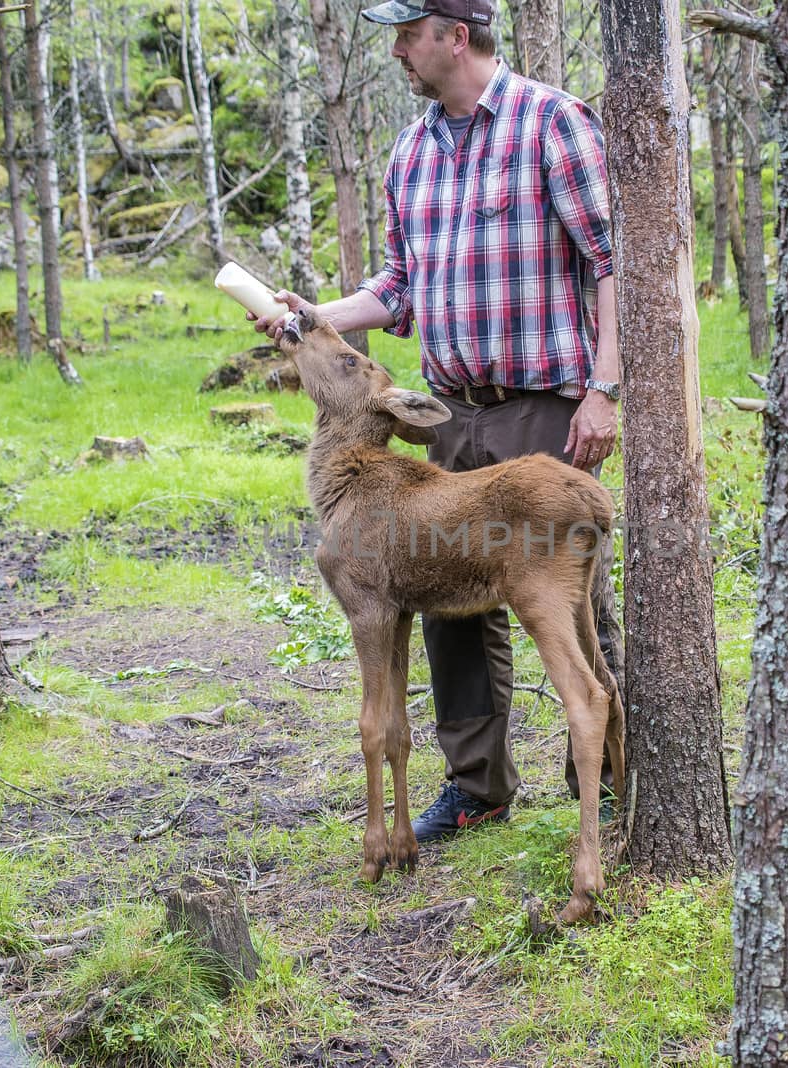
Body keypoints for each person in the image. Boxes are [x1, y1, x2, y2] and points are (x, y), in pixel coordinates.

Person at [258, 0, 622, 843]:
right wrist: (312, 317)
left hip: (545, 404)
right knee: (448, 607)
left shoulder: (550, 122)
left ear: (454, 36)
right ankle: (477, 785)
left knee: (562, 599)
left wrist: (604, 387)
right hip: (450, 408)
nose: (396, 49)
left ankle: (599, 777)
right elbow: (398, 288)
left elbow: (611, 262)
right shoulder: (413, 149)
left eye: (407, 33)